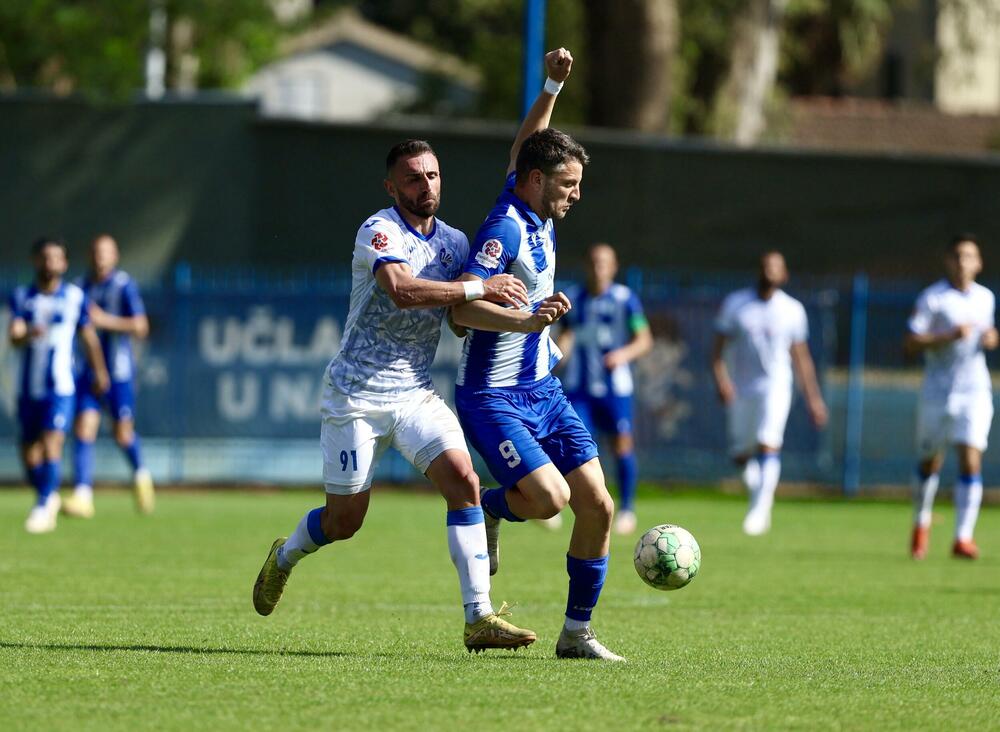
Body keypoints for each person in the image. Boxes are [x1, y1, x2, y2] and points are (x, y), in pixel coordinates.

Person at [252, 139, 548, 654]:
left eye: (432, 175)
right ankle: (285, 556)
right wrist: (479, 289)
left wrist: (525, 320)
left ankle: (478, 617)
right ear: (392, 187)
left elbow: (458, 322)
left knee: (465, 479)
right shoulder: (379, 229)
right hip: (356, 396)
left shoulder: (456, 244)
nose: (425, 185)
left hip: (414, 393)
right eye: (413, 178)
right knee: (345, 521)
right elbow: (404, 291)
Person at [451, 49, 625, 662]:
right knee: (550, 500)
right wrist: (527, 319)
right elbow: (460, 311)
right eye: (569, 185)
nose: (576, 195)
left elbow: (530, 142)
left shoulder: (535, 200)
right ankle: (494, 507)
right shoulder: (504, 228)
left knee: (598, 505)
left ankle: (576, 634)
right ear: (536, 181)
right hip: (491, 396)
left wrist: (552, 84)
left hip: (543, 392)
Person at [711, 251, 827, 536]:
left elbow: (801, 358)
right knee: (740, 454)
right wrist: (722, 380)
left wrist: (814, 399)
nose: (770, 271)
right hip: (742, 388)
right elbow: (716, 351)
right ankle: (758, 494)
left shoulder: (792, 310)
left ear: (785, 275)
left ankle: (760, 510)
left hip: (776, 386)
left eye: (776, 267)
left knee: (768, 443)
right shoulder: (737, 304)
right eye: (765, 266)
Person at [7, 237, 109, 533]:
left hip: (60, 387)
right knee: (28, 451)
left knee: (53, 442)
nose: (51, 263)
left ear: (64, 263)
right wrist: (23, 334)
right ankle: (48, 494)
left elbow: (88, 337)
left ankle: (42, 504)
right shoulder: (23, 296)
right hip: (28, 388)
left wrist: (100, 371)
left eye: (57, 258)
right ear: (36, 262)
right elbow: (13, 337)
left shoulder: (75, 297)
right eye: (46, 258)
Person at [906, 234, 996, 560]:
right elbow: (911, 342)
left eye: (969, 256)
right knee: (930, 461)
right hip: (937, 390)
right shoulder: (933, 298)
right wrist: (946, 336)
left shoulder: (985, 298)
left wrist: (991, 337)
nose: (962, 263)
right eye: (957, 256)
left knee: (971, 458)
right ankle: (920, 523)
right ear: (948, 261)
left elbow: (989, 333)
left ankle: (962, 537)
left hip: (974, 389)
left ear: (979, 263)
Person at [557, 243, 653, 535]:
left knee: (621, 444)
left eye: (604, 262)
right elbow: (567, 337)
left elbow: (644, 339)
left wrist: (623, 355)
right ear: (587, 266)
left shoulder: (626, 300)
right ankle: (567, 506)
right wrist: (555, 361)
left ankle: (626, 509)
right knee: (575, 447)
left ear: (613, 267)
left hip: (615, 388)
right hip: (579, 389)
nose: (599, 267)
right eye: (594, 262)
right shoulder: (574, 298)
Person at [63, 234, 154, 518]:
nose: (99, 256)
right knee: (83, 428)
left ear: (115, 256)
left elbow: (141, 326)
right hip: (88, 372)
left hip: (119, 374)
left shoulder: (123, 286)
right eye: (95, 251)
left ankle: (141, 476)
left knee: (122, 433)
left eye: (105, 252)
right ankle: (82, 495)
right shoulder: (78, 288)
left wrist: (105, 321)